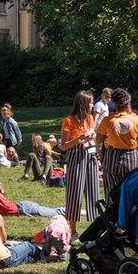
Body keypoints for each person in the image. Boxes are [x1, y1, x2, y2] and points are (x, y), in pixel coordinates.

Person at [97, 88, 138, 200]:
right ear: (128, 103)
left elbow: (98, 139)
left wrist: (111, 134)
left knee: (111, 191)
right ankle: (129, 215)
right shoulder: (137, 120)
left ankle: (112, 215)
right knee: (131, 190)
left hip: (112, 157)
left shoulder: (108, 120)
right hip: (131, 156)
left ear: (114, 103)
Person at [61, 90, 100, 236]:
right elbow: (63, 145)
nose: (93, 105)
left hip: (90, 156)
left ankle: (95, 231)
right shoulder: (69, 121)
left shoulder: (90, 118)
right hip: (75, 157)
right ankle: (73, 231)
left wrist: (92, 137)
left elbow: (93, 140)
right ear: (83, 104)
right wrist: (79, 139)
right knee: (74, 193)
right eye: (90, 102)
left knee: (93, 192)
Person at [0, 177, 66, 218]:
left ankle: (76, 212)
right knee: (55, 211)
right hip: (23, 206)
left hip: (24, 209)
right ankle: (73, 212)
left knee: (56, 213)